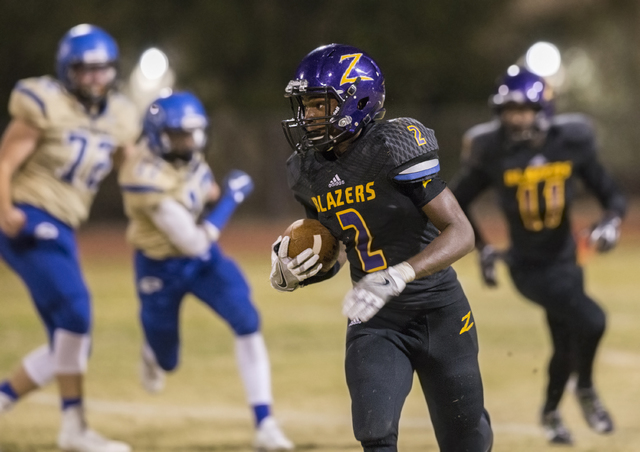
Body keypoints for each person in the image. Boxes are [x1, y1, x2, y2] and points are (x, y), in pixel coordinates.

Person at [271, 43, 493, 452]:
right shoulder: (306, 170)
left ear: (358, 100)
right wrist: (298, 268)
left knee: (466, 440)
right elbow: (337, 246)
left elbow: (461, 231)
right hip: (376, 318)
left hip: (439, 311)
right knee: (374, 434)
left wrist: (399, 274)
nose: (309, 117)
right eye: (305, 106)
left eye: (320, 105)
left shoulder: (393, 145)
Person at [450, 65, 627, 445]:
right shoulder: (493, 149)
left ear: (543, 109)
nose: (515, 119)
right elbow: (454, 204)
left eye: (523, 110)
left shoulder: (570, 141)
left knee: (564, 346)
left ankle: (550, 414)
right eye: (509, 110)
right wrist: (482, 248)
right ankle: (587, 389)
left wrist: (610, 222)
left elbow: (612, 194)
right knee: (593, 320)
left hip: (566, 261)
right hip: (528, 268)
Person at [118, 91, 294, 451]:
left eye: (192, 133)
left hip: (203, 261)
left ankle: (265, 424)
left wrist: (216, 195)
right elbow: (195, 241)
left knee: (247, 320)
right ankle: (152, 350)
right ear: (156, 135)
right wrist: (232, 197)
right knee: (167, 362)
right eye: (178, 135)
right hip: (160, 266)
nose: (188, 142)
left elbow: (200, 193)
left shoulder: (186, 156)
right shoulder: (143, 176)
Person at [0, 24, 139, 452]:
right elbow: (4, 163)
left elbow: (130, 166)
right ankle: (74, 428)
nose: (96, 79)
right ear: (67, 71)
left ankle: (69, 426)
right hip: (31, 217)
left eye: (103, 70)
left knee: (71, 338)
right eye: (86, 70)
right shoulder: (45, 103)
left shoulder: (119, 114)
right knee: (76, 314)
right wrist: (4, 211)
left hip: (64, 224)